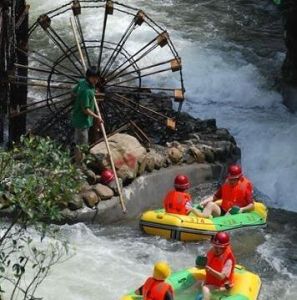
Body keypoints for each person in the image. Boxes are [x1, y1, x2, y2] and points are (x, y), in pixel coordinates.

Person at [71, 66, 103, 147]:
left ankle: (77, 155)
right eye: (93, 78)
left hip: (77, 118)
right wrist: (97, 117)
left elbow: (73, 91)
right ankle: (80, 159)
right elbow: (86, 110)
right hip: (83, 122)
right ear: (88, 77)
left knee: (78, 141)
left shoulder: (82, 82)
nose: (95, 80)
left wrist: (79, 99)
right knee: (83, 146)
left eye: (96, 77)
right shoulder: (87, 92)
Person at [199, 232, 235, 300]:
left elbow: (222, 277)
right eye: (215, 246)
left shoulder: (228, 260)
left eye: (219, 248)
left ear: (225, 247)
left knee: (205, 288)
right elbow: (206, 261)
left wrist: (209, 269)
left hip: (223, 287)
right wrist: (200, 263)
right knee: (196, 285)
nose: (216, 249)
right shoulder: (212, 250)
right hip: (212, 283)